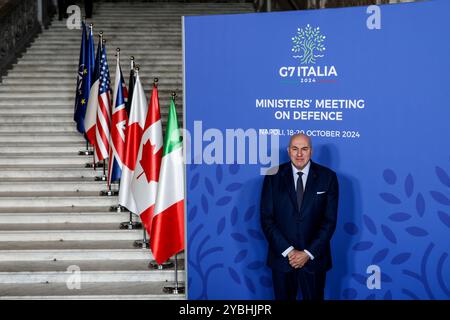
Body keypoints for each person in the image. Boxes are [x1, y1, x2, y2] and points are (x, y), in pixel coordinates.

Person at [260, 133, 339, 300]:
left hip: (314, 260)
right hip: (282, 260)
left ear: (311, 151)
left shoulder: (328, 177)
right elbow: (267, 219)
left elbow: (329, 221)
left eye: (304, 149)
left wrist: (307, 253)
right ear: (288, 151)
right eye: (295, 149)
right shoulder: (273, 175)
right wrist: (289, 252)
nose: (299, 154)